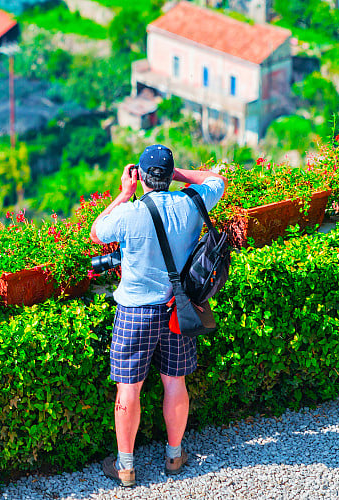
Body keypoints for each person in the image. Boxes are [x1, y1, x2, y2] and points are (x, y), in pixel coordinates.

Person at [89, 144, 227, 488]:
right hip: (177, 309)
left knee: (129, 388)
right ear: (168, 175)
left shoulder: (130, 213)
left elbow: (96, 232)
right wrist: (177, 173)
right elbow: (217, 179)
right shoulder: (191, 203)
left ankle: (125, 466)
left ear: (141, 174)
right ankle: (174, 455)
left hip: (135, 311)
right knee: (174, 381)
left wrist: (125, 192)